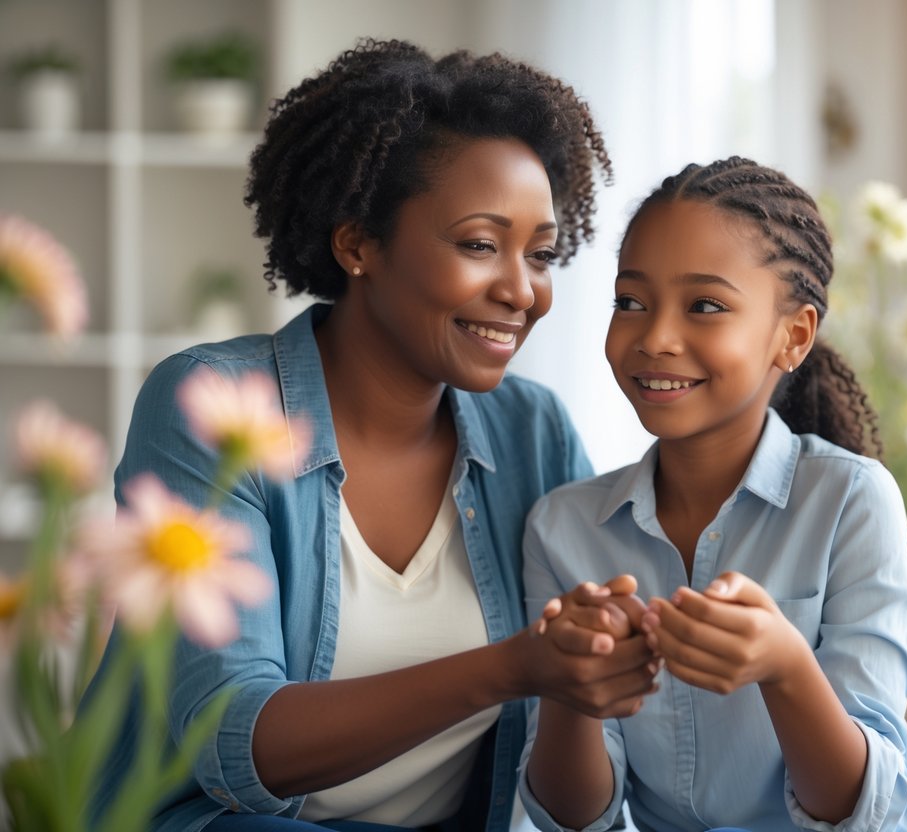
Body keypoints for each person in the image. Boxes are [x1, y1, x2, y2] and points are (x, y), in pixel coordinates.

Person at [82, 38, 659, 832]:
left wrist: (590, 668)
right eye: (480, 245)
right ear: (358, 244)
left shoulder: (533, 433)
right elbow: (232, 746)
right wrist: (512, 667)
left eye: (542, 254)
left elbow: (579, 803)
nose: (521, 291)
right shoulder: (216, 405)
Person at [518, 157, 907, 831]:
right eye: (630, 301)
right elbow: (574, 819)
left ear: (792, 336)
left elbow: (862, 812)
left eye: (705, 306)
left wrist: (784, 666)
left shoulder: (851, 502)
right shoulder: (563, 529)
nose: (654, 337)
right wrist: (571, 686)